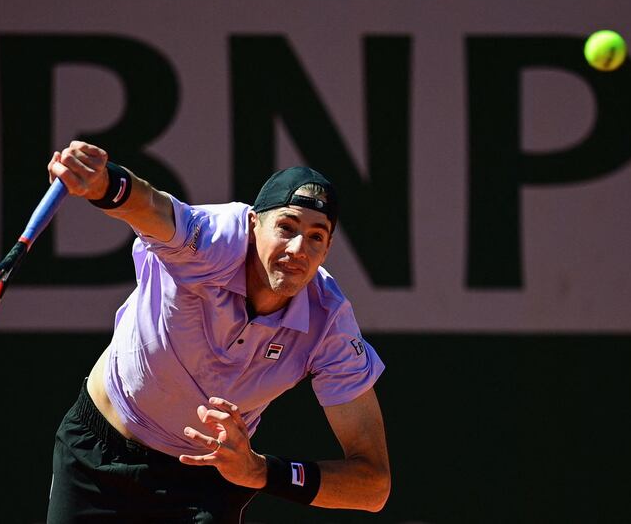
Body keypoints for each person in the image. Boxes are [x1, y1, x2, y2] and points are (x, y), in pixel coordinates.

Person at [45, 141, 390, 523]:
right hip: (98, 455)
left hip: (203, 485)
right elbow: (151, 206)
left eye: (315, 237)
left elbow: (373, 485)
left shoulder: (329, 323)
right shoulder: (211, 242)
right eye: (286, 227)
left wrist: (261, 472)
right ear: (254, 224)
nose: (298, 248)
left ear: (326, 250)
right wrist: (105, 185)